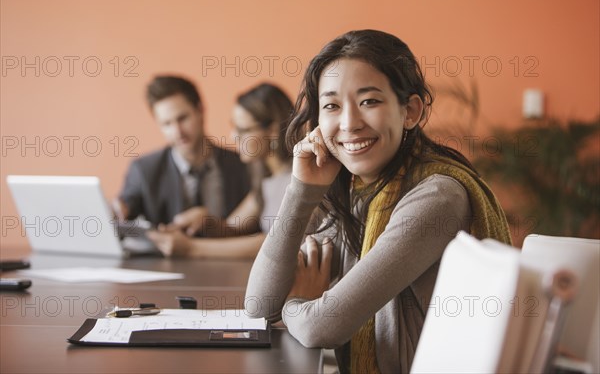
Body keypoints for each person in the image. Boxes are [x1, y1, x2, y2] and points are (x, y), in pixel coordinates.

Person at [245, 30, 512, 373]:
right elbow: (257, 306)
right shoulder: (351, 193)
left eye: (369, 101)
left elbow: (321, 325)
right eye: (331, 106)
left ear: (411, 111)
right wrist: (301, 189)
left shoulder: (437, 197)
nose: (349, 123)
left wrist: (299, 302)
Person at [146, 83, 295, 258]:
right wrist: (206, 222)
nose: (233, 136)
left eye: (243, 130)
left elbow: (276, 242)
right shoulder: (266, 177)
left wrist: (191, 248)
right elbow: (232, 227)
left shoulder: (298, 179)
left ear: (272, 130)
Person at [115, 75, 251, 237]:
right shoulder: (144, 169)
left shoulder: (242, 165)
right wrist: (119, 211)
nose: (177, 132)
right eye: (167, 124)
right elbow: (126, 208)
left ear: (200, 110)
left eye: (183, 118)